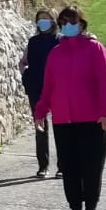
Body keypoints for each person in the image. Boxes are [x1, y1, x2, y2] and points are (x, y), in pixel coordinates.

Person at [32, 5, 106, 210]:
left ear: (81, 24)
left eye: (72, 22)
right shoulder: (56, 53)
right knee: (69, 168)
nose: (68, 26)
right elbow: (48, 86)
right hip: (63, 120)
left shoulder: (95, 49)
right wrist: (40, 111)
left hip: (91, 120)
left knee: (91, 167)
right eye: (64, 23)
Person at [20, 9, 61, 179]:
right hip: (36, 88)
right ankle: (42, 166)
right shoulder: (33, 41)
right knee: (40, 126)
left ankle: (63, 166)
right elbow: (23, 62)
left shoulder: (60, 41)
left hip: (58, 88)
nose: (42, 22)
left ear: (53, 21)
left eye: (46, 19)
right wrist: (25, 75)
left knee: (61, 128)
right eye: (40, 19)